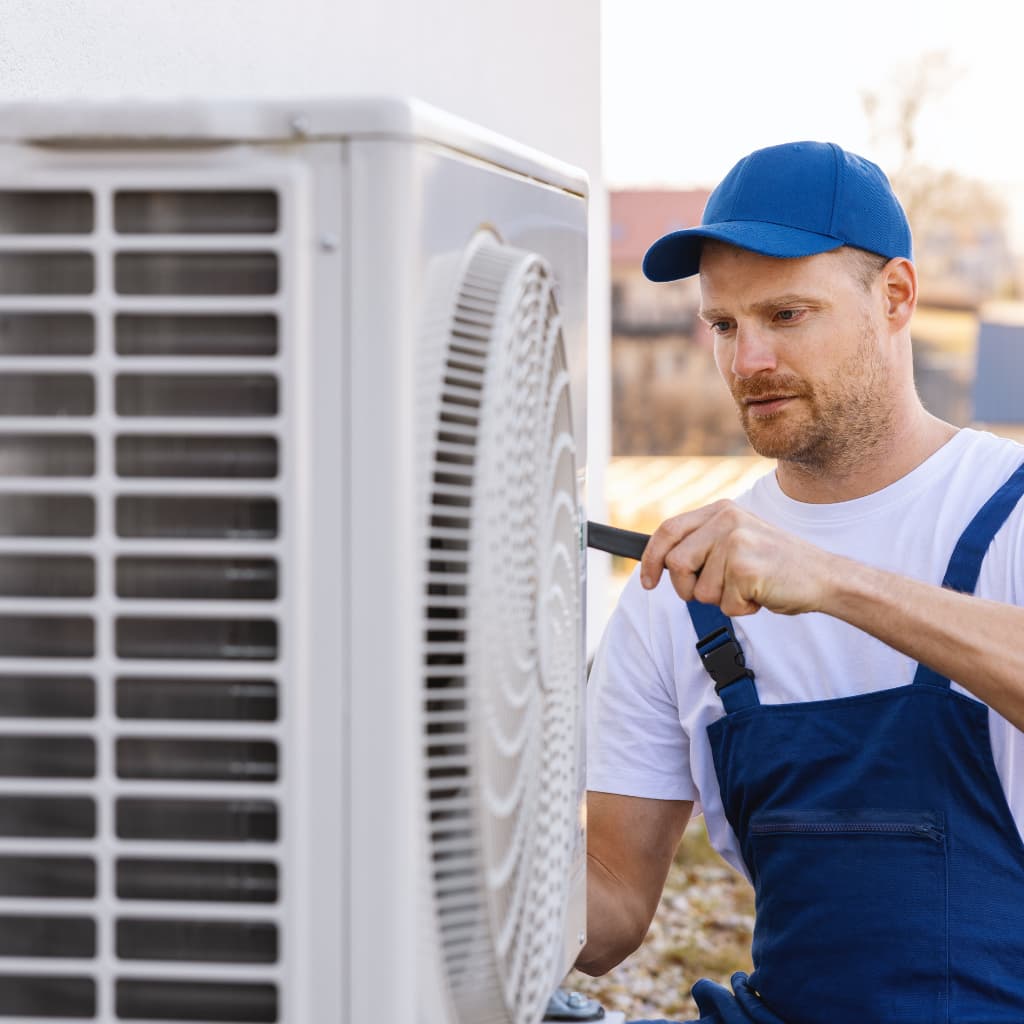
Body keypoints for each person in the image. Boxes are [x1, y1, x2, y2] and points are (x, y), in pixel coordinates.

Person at [577, 140, 1024, 1024]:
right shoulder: (679, 584)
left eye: (787, 315)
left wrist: (829, 579)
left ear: (895, 297)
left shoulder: (1006, 514)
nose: (748, 364)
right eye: (724, 325)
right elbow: (613, 910)